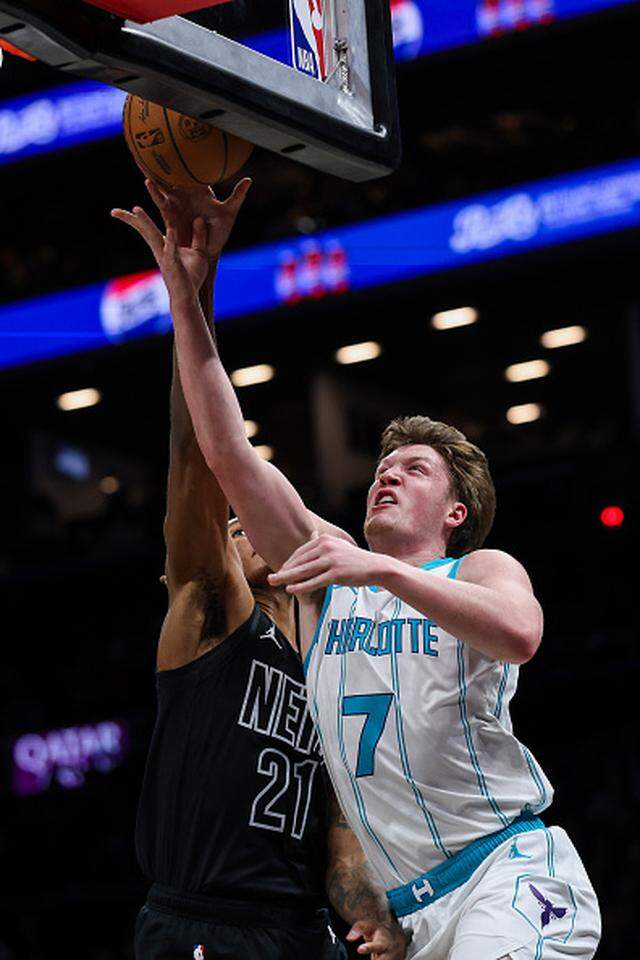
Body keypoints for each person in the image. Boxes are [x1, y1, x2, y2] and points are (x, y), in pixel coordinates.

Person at [116, 186, 601, 960]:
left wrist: (377, 568)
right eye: (382, 467)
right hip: (418, 912)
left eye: (414, 469)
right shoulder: (330, 574)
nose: (388, 475)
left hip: (508, 875)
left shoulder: (478, 567)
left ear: (456, 510)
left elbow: (519, 635)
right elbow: (226, 452)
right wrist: (187, 298)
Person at [111, 181, 408, 960]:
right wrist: (196, 284)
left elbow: (339, 833)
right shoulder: (210, 612)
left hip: (300, 929)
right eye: (232, 525)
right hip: (204, 923)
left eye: (253, 520)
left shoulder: (330, 659)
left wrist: (371, 911)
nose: (243, 526)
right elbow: (196, 455)